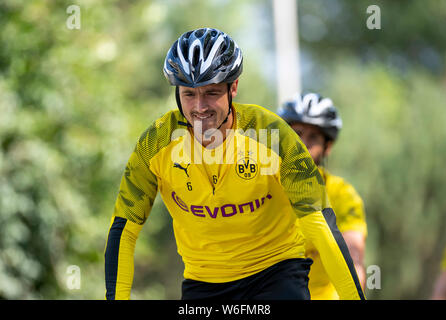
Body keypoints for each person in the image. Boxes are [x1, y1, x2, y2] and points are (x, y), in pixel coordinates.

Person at [104, 27, 365, 300]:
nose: (200, 107)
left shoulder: (272, 135)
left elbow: (322, 228)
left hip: (275, 273)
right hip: (203, 282)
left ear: (234, 88)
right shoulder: (156, 144)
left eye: (212, 92)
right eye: (189, 94)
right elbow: (124, 229)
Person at [277, 93, 368, 299]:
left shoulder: (342, 194)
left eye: (313, 137)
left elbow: (353, 259)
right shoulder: (263, 186)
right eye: (296, 133)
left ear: (327, 147)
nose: (302, 143)